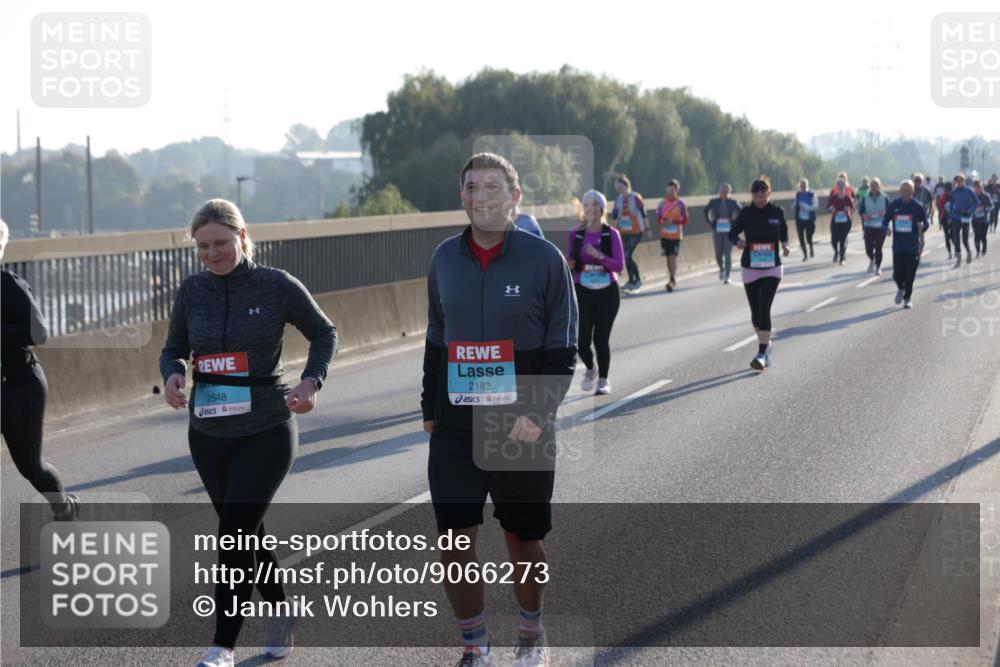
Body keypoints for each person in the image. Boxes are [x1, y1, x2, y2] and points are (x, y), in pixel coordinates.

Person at [159, 199, 336, 667]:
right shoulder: (192, 290)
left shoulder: (275, 285)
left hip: (267, 427)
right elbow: (174, 348)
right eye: (202, 247)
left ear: (242, 236)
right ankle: (282, 611)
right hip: (208, 431)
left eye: (220, 243)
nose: (212, 254)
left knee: (233, 534)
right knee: (247, 533)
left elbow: (324, 333)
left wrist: (310, 381)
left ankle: (223, 646)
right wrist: (173, 374)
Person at [421, 153, 577, 667]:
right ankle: (475, 647)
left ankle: (531, 635)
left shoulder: (545, 260)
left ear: (515, 197)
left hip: (520, 425)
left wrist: (539, 412)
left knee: (522, 539)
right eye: (472, 187)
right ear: (461, 196)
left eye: (492, 187)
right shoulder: (444, 258)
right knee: (453, 540)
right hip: (456, 425)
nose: (481, 196)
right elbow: (436, 337)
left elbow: (562, 348)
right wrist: (429, 404)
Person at [0, 219, 80, 521]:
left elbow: (40, 332)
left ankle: (64, 507)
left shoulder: (8, 285)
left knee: (30, 466)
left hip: (19, 387)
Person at [729, 176, 790, 371]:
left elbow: (784, 230)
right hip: (750, 267)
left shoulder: (777, 212)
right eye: (756, 196)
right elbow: (732, 233)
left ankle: (761, 353)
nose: (759, 199)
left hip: (772, 267)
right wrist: (738, 241)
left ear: (769, 193)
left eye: (763, 196)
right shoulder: (746, 213)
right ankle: (766, 343)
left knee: (764, 308)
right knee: (755, 314)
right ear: (752, 196)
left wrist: (785, 244)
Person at [566, 190, 624, 395]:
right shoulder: (576, 234)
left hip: (608, 292)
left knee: (600, 338)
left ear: (602, 208)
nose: (591, 209)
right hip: (583, 291)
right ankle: (591, 369)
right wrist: (569, 264)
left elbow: (619, 266)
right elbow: (570, 260)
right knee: (581, 341)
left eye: (595, 205)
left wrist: (598, 255)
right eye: (587, 205)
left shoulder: (611, 234)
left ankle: (604, 380)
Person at [883, 180, 929, 309]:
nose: (905, 193)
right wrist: (886, 229)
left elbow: (926, 223)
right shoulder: (894, 205)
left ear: (912, 192)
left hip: (912, 247)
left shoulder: (918, 206)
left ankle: (907, 298)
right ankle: (900, 288)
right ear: (900, 191)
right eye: (903, 190)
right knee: (897, 274)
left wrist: (922, 226)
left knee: (910, 275)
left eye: (908, 190)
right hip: (898, 246)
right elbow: (884, 221)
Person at [609, 174, 649, 292]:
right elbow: (614, 216)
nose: (619, 190)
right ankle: (631, 280)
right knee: (624, 256)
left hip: (636, 231)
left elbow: (644, 214)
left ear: (627, 186)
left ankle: (637, 280)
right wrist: (611, 232)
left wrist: (647, 228)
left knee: (627, 254)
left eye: (621, 188)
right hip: (624, 231)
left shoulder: (636, 198)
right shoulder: (618, 200)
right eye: (618, 188)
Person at [704, 183, 742, 283]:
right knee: (718, 253)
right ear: (719, 191)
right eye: (722, 191)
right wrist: (710, 222)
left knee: (727, 253)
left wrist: (734, 221)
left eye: (726, 191)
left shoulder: (733, 202)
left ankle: (727, 275)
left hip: (729, 231)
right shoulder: (713, 202)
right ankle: (721, 269)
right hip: (718, 230)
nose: (723, 193)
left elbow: (741, 212)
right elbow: (705, 210)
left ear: (729, 192)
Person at [655, 179, 688, 291]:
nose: (670, 192)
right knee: (667, 258)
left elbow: (685, 220)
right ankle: (671, 277)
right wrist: (663, 222)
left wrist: (674, 222)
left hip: (676, 235)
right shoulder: (662, 203)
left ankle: (672, 279)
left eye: (673, 190)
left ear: (677, 190)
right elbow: (658, 218)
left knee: (673, 256)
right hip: (664, 235)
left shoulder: (680, 204)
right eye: (669, 189)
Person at [858, 177, 891, 274]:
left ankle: (878, 267)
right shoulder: (865, 198)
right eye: (872, 185)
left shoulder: (885, 198)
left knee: (878, 247)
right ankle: (872, 260)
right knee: (868, 248)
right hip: (869, 225)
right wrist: (864, 216)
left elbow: (890, 211)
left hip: (881, 226)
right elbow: (861, 211)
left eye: (876, 185)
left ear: (879, 186)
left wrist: (885, 215)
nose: (874, 187)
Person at [949, 173, 978, 267]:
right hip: (956, 217)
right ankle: (958, 260)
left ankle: (969, 252)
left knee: (965, 239)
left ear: (963, 181)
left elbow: (976, 203)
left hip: (965, 216)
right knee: (956, 237)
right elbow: (950, 205)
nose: (958, 182)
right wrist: (951, 214)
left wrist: (969, 211)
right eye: (956, 181)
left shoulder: (969, 191)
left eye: (960, 180)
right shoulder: (953, 192)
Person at [827, 178, 855, 265]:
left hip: (846, 221)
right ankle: (836, 252)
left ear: (845, 187)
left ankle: (842, 258)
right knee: (834, 240)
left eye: (842, 185)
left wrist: (848, 209)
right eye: (839, 185)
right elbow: (828, 207)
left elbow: (853, 208)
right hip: (835, 220)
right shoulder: (834, 197)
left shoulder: (847, 197)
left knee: (843, 239)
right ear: (837, 187)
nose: (841, 187)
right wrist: (831, 209)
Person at [793, 179, 819, 260]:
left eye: (804, 185)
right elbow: (795, 203)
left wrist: (806, 207)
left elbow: (816, 206)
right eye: (801, 186)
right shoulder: (798, 195)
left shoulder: (812, 194)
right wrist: (793, 206)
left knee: (808, 237)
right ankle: (805, 255)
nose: (803, 187)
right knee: (801, 238)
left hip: (809, 219)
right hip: (799, 219)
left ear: (807, 185)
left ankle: (811, 248)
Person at [972, 180, 994, 257]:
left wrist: (984, 208)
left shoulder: (986, 196)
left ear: (982, 188)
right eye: (976, 188)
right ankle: (978, 251)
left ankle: (984, 249)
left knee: (983, 236)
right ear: (974, 188)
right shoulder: (972, 197)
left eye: (979, 187)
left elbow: (992, 207)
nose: (977, 189)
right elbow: (969, 206)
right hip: (975, 219)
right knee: (976, 235)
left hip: (984, 220)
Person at [938, 181, 954, 258]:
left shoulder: (954, 196)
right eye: (946, 190)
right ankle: (949, 253)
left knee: (953, 236)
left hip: (953, 218)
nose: (948, 192)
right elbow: (939, 205)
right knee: (947, 236)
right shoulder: (942, 197)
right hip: (944, 218)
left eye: (949, 190)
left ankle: (956, 250)